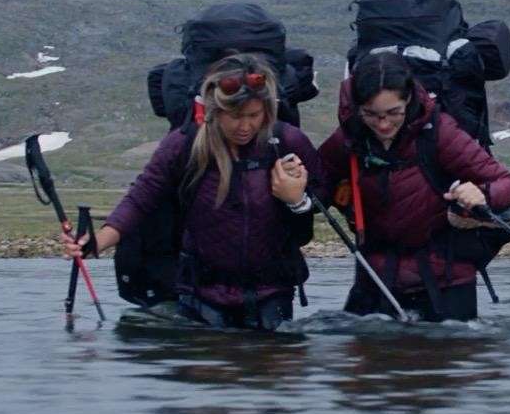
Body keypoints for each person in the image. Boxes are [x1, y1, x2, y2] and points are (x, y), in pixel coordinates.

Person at [63, 54, 324, 331]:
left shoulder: (287, 141)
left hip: (273, 293)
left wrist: (296, 199)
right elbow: (142, 198)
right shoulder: (184, 145)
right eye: (235, 116)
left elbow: (321, 195)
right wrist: (96, 242)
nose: (245, 126)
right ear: (214, 109)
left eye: (254, 116)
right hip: (201, 295)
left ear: (268, 111)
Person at [319, 51, 510, 322]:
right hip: (375, 280)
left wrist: (482, 194)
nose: (383, 124)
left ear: (409, 99)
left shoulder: (440, 132)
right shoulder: (349, 138)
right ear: (357, 107)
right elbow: (317, 183)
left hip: (445, 281)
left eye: (393, 113)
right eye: (371, 114)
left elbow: (507, 184)